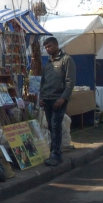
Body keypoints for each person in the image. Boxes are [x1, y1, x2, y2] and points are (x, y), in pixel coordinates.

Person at [40, 37, 76, 167]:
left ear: (56, 45)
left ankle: (56, 155)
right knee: (50, 126)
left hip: (58, 99)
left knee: (56, 125)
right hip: (47, 99)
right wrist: (41, 97)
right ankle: (54, 151)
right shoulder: (48, 63)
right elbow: (43, 82)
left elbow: (70, 82)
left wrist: (63, 98)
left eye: (49, 46)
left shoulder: (66, 60)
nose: (47, 49)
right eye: (46, 47)